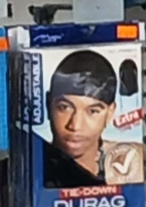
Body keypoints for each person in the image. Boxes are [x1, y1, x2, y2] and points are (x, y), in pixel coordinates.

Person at [41, 48, 129, 188]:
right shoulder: (27, 170)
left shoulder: (126, 167)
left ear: (110, 113)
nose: (75, 125)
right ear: (48, 104)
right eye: (64, 107)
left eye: (92, 111)